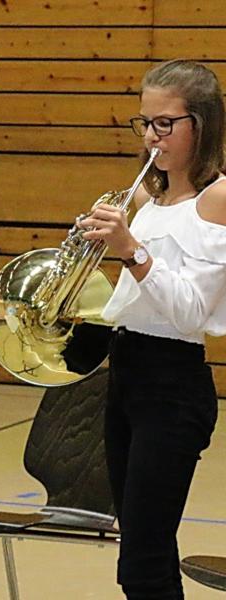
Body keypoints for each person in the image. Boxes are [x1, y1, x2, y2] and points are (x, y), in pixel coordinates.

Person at [80, 59, 226, 600]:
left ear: (202, 125)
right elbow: (132, 300)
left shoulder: (216, 199)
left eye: (164, 124)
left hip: (172, 385)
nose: (149, 136)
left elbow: (190, 312)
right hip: (128, 373)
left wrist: (131, 250)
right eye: (143, 122)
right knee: (148, 554)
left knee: (141, 564)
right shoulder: (150, 199)